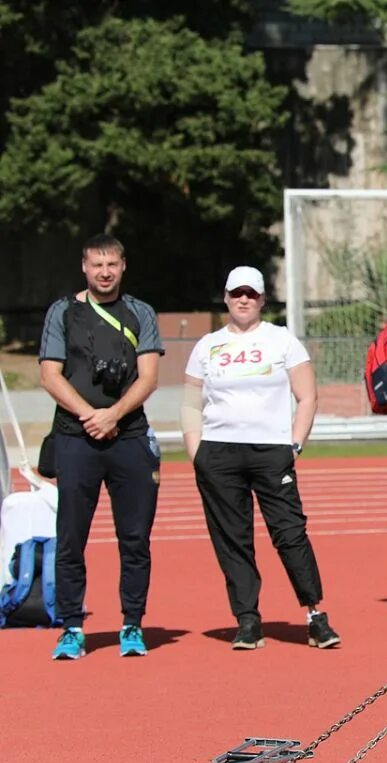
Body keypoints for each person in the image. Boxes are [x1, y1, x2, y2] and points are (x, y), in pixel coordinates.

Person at [181, 266, 340, 649]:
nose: (243, 300)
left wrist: (295, 444)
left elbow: (307, 397)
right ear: (226, 297)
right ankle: (248, 620)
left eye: (251, 293)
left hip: (271, 451)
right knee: (232, 538)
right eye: (237, 293)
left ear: (262, 299)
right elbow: (190, 403)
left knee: (289, 533)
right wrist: (196, 452)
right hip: (218, 453)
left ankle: (315, 614)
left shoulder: (282, 341)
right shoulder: (207, 346)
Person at [38, 234, 163, 659]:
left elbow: (149, 377)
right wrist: (91, 415)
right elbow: (50, 375)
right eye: (97, 265)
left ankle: (132, 623)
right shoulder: (62, 312)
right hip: (75, 437)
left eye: (111, 264)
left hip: (129, 436)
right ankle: (72, 627)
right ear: (84, 267)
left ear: (123, 266)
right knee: (71, 537)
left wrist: (114, 415)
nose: (104, 272)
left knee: (135, 538)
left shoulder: (141, 312)